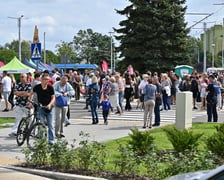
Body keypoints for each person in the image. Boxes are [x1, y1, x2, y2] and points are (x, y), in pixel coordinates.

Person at [31, 74, 55, 144]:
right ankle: (41, 139)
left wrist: (50, 104)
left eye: (48, 79)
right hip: (41, 107)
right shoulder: (37, 87)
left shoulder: (50, 88)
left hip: (49, 108)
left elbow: (53, 98)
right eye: (45, 79)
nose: (47, 81)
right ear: (41, 80)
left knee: (50, 125)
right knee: (41, 124)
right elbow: (31, 94)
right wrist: (30, 101)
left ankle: (51, 140)